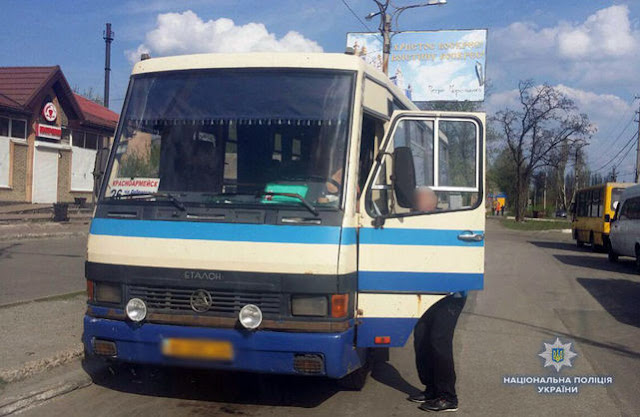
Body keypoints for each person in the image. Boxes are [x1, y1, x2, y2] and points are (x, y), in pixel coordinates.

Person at [408, 187, 466, 412]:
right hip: (425, 293)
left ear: (432, 202)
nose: (415, 204)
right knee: (421, 339)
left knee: (438, 340)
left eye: (419, 200)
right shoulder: (413, 221)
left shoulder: (447, 222)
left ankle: (448, 396)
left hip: (451, 294)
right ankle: (431, 389)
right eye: (415, 201)